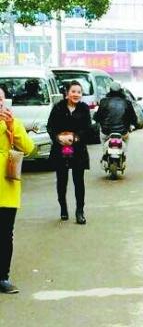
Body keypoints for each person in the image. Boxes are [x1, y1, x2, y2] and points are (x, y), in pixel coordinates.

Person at [0, 87, 35, 294]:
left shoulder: (14, 122)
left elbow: (29, 148)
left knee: (5, 234)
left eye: (1, 99)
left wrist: (12, 126)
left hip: (7, 184)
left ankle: (3, 276)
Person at [47, 80, 91, 224]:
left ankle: (80, 211)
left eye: (79, 92)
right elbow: (50, 126)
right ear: (67, 93)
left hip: (78, 149)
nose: (76, 95)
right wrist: (59, 138)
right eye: (73, 91)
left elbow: (88, 128)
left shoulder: (84, 109)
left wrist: (75, 138)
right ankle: (63, 208)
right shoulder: (58, 107)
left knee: (79, 181)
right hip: (60, 149)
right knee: (62, 181)